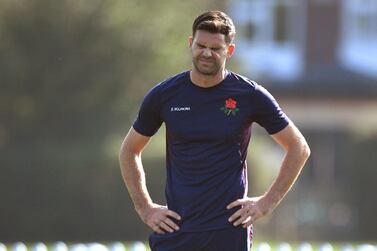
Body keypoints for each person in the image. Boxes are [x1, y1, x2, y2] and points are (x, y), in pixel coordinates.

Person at [119, 10, 310, 251]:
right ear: (191, 44)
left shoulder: (250, 95)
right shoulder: (164, 95)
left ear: (229, 51)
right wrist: (145, 208)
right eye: (201, 45)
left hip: (228, 231)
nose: (207, 53)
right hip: (176, 229)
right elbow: (129, 150)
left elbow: (298, 147)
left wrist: (266, 203)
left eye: (216, 48)